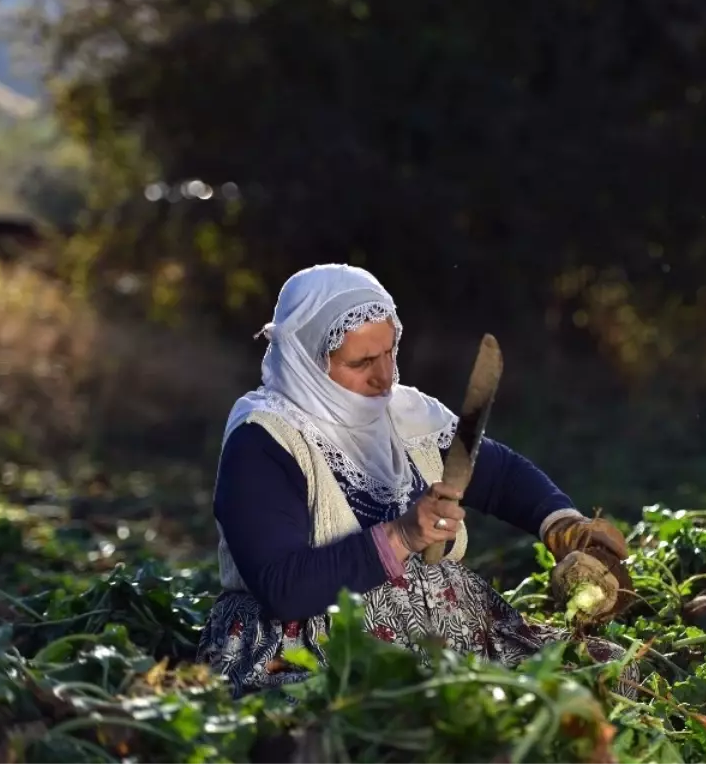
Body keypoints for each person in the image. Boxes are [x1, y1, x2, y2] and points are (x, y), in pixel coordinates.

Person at [196, 263, 633, 696]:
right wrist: (402, 536)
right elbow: (284, 587)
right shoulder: (264, 441)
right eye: (362, 361)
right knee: (385, 728)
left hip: (444, 631)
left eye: (389, 352)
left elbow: (499, 476)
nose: (384, 377)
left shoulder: (407, 416)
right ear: (309, 361)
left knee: (611, 677)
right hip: (312, 647)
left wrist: (560, 524)